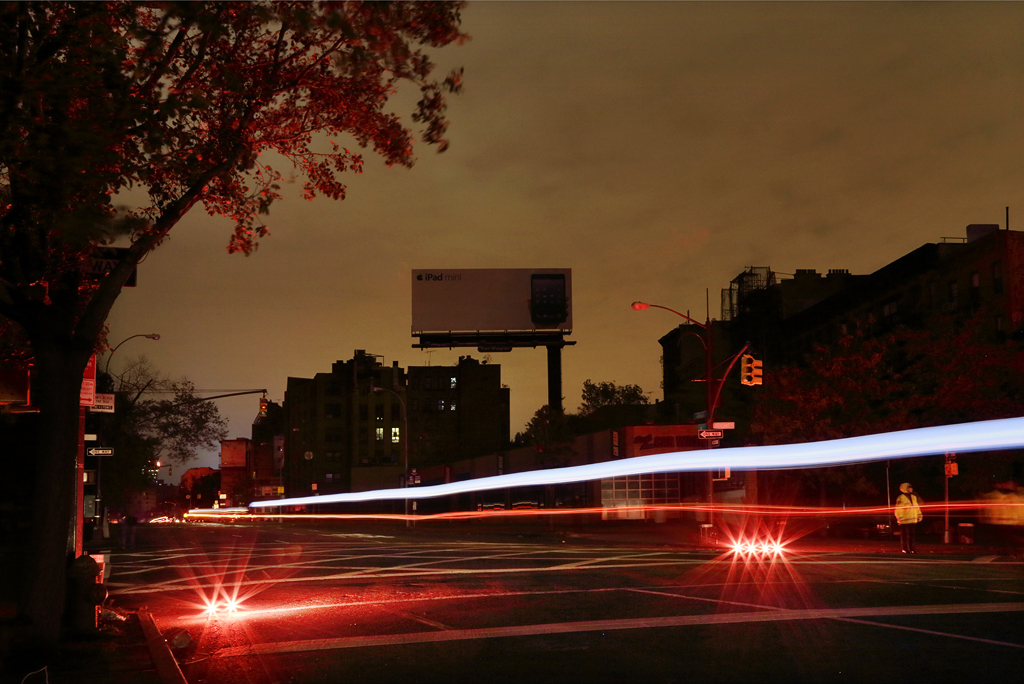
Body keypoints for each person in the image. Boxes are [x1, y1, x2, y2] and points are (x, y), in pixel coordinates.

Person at [894, 482, 923, 554]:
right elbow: (898, 509)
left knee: (911, 536)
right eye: (909, 487)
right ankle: (905, 548)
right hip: (904, 520)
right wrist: (899, 518)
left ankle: (912, 548)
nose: (911, 489)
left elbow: (917, 507)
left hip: (912, 519)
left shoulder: (914, 497)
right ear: (905, 488)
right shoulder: (901, 497)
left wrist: (919, 515)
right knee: (904, 535)